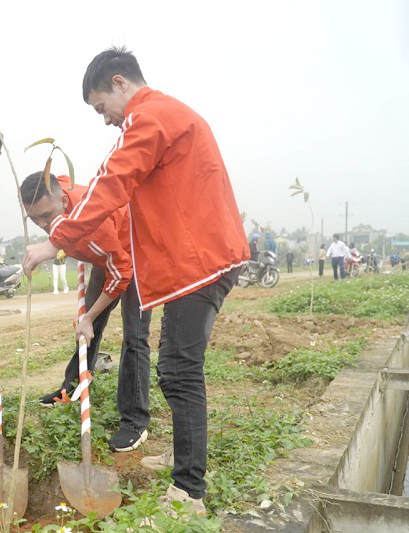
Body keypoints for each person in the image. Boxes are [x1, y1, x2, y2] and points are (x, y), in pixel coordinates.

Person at [22, 47, 248, 514]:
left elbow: (112, 181)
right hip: (197, 260)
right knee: (176, 368)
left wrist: (53, 242)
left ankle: (188, 490)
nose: (104, 119)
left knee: (178, 372)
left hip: (198, 263)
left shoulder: (150, 118)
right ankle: (189, 455)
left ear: (120, 82)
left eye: (101, 107)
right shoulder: (167, 114)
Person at [22, 171, 151, 452]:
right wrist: (89, 319)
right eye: (35, 219)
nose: (45, 225)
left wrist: (90, 316)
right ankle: (73, 386)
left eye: (47, 215)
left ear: (63, 200)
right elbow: (61, 177)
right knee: (86, 328)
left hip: (136, 256)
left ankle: (134, 421)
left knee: (135, 336)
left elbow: (121, 275)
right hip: (106, 257)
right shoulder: (59, 192)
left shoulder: (94, 227)